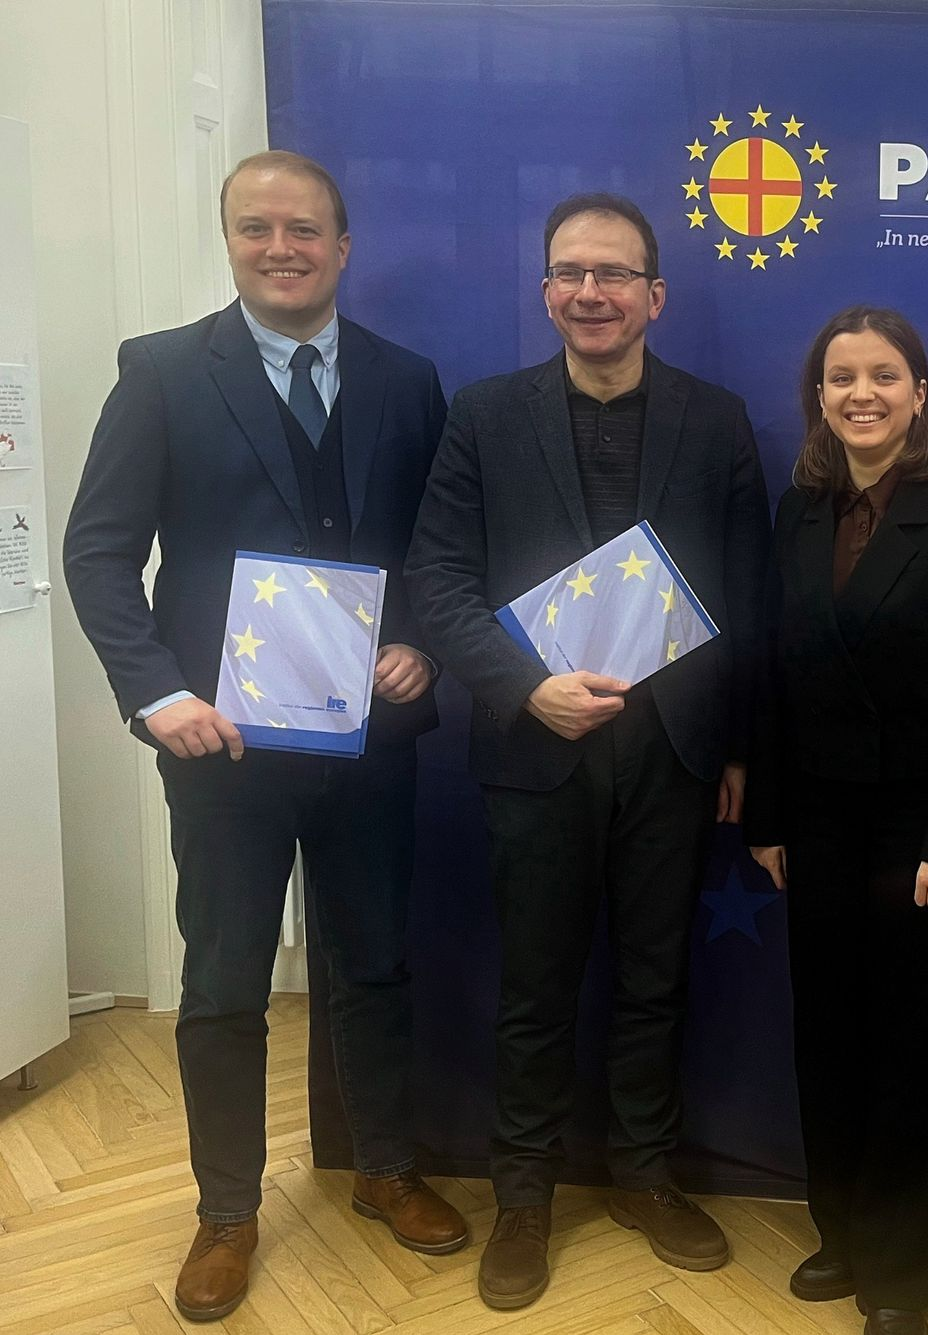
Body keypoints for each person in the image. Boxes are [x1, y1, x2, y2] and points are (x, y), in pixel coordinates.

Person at [63, 150, 466, 1322]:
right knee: (226, 982)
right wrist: (156, 695)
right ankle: (227, 1212)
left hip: (370, 741)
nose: (280, 248)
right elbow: (98, 553)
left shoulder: (407, 380)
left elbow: (438, 551)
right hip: (221, 748)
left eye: (303, 230)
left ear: (343, 246)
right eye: (256, 228)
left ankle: (383, 1168)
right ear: (230, 240)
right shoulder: (160, 373)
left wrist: (423, 645)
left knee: (376, 962)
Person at [404, 193, 769, 1310]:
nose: (591, 292)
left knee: (657, 981)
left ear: (655, 295)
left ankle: (644, 1175)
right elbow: (437, 579)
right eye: (570, 273)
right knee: (536, 988)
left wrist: (738, 746)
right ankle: (525, 1194)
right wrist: (526, 686)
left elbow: (748, 590)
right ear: (546, 292)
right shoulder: (484, 415)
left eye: (614, 274)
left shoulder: (717, 419)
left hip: (673, 751)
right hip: (536, 747)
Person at [744, 306, 928, 1335]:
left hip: (920, 834)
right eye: (842, 376)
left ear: (920, 394)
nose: (863, 393)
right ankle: (844, 1233)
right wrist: (767, 817)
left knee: (912, 1052)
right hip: (815, 824)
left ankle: (901, 1276)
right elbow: (771, 670)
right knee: (829, 1036)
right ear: (819, 397)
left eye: (884, 375)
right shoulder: (798, 509)